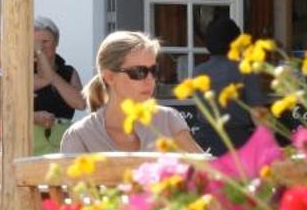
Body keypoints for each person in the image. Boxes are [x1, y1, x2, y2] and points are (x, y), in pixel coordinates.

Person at [59, 31, 204, 155]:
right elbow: (71, 187)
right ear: (109, 77)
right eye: (139, 72)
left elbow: (209, 174)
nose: (150, 80)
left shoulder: (168, 120)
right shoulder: (80, 136)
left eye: (153, 71)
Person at [0, 17, 87, 149]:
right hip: (19, 145)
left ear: (56, 42)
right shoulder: (17, 72)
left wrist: (51, 71)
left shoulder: (67, 71)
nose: (39, 47)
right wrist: (32, 116)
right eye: (33, 42)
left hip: (58, 144)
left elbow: (81, 103)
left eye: (45, 41)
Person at [189, 14, 268, 155]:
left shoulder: (198, 71)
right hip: (237, 141)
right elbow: (258, 113)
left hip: (204, 140)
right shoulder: (245, 70)